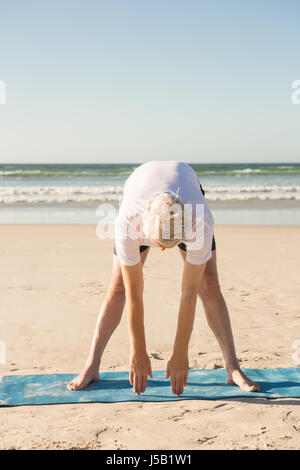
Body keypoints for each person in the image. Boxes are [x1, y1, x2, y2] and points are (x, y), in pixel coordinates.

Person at [67, 161, 260, 396]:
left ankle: (233, 368)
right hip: (141, 189)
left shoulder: (200, 221)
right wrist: (138, 351)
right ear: (146, 230)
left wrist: (181, 352)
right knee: (118, 288)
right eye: (160, 244)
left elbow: (188, 294)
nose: (162, 250)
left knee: (208, 284)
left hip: (185, 190)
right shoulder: (128, 223)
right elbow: (134, 294)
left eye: (171, 244)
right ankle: (92, 366)